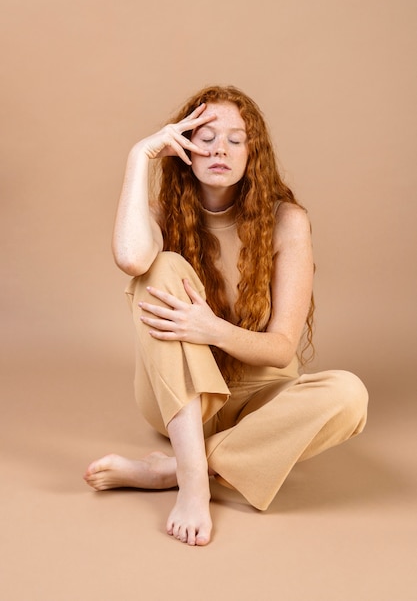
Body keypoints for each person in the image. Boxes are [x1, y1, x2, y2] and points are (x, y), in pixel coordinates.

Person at [84, 85, 368, 546]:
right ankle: (196, 484)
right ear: (184, 150)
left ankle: (178, 468)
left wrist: (209, 328)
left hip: (262, 401)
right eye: (207, 136)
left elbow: (280, 350)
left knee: (350, 396)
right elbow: (133, 259)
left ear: (252, 154)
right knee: (161, 264)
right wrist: (140, 155)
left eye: (236, 139)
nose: (220, 148)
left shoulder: (287, 221)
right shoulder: (159, 215)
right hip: (181, 400)